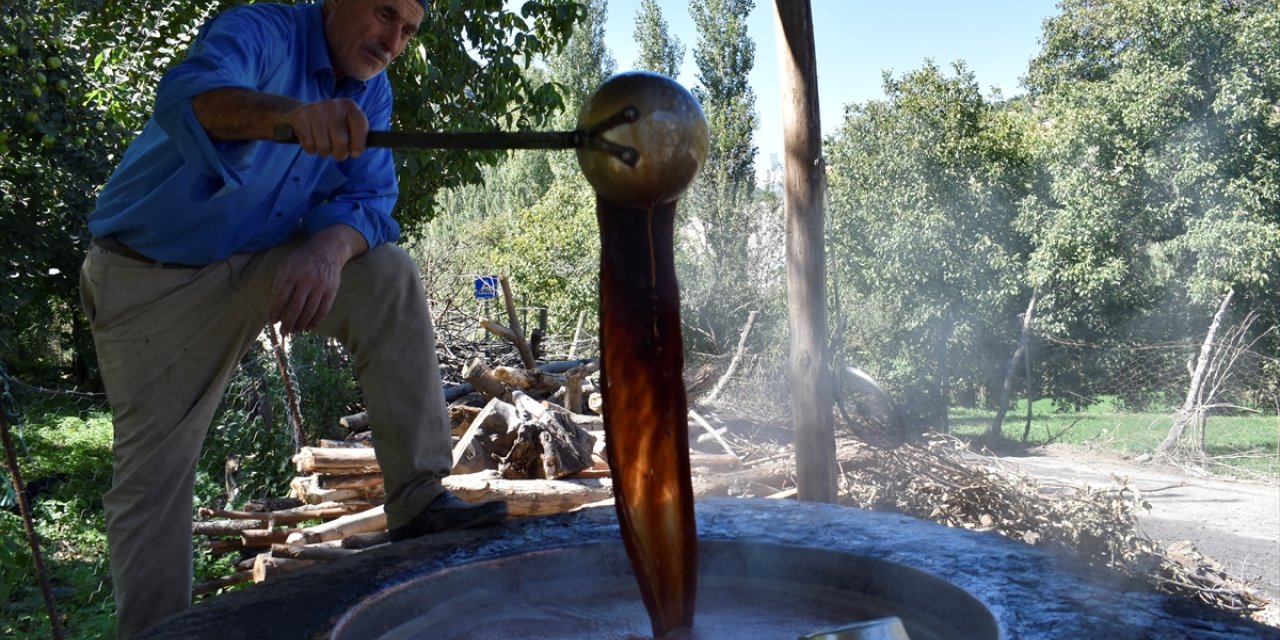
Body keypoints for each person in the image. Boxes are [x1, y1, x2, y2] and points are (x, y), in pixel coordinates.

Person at [79, 0, 507, 636]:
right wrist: (289, 117)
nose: (391, 42)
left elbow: (370, 200)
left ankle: (417, 499)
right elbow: (188, 99)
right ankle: (158, 631)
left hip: (258, 262)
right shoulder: (259, 30)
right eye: (384, 14)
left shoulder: (373, 92)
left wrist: (329, 247)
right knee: (154, 482)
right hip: (151, 278)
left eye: (408, 30)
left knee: (388, 273)